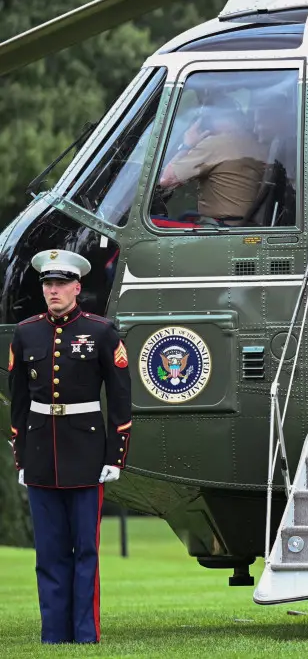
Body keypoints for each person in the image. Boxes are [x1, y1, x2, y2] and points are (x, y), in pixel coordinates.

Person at [7, 249, 132, 644]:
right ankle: (53, 636)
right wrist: (21, 456)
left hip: (86, 453)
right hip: (42, 454)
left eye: (61, 283)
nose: (53, 290)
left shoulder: (101, 331)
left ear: (77, 287)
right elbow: (19, 402)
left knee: (85, 553)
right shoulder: (26, 332)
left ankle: (85, 633)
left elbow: (120, 398)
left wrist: (116, 455)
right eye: (48, 283)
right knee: (49, 554)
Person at [157, 103, 266, 225]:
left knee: (155, 222)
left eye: (208, 119)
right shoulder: (255, 143)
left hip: (222, 228)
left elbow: (166, 180)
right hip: (245, 225)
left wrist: (187, 145)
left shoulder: (217, 144)